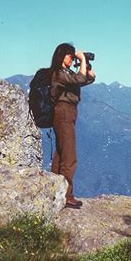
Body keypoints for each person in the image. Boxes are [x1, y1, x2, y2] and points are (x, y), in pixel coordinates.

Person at [49, 43, 95, 208]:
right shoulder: (57, 74)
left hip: (69, 113)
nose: (71, 58)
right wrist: (81, 59)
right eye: (69, 55)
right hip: (63, 113)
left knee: (61, 154)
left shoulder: (67, 73)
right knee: (69, 156)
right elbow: (80, 78)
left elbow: (89, 78)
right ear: (61, 56)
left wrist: (86, 63)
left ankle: (53, 189)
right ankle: (67, 195)